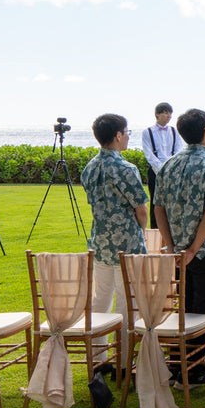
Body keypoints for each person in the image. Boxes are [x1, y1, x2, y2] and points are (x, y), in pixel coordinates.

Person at [153, 108, 205, 383]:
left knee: (184, 308)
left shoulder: (168, 165)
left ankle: (181, 364)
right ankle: (197, 367)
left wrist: (174, 246)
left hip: (178, 253)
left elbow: (158, 209)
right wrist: (192, 250)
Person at [80, 113, 148, 369]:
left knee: (101, 299)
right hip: (127, 244)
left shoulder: (90, 167)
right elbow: (141, 209)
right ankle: (124, 359)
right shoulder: (126, 169)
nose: (129, 136)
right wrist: (142, 230)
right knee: (127, 303)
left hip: (100, 242)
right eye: (127, 132)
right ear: (118, 135)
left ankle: (99, 357)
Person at [142, 102, 183, 229]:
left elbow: (178, 150)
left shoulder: (174, 131)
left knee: (173, 200)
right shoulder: (147, 132)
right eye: (165, 112)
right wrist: (161, 169)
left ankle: (173, 227)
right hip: (155, 171)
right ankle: (155, 229)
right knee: (156, 202)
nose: (168, 115)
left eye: (170, 113)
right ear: (157, 114)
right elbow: (148, 153)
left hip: (173, 170)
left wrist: (171, 168)